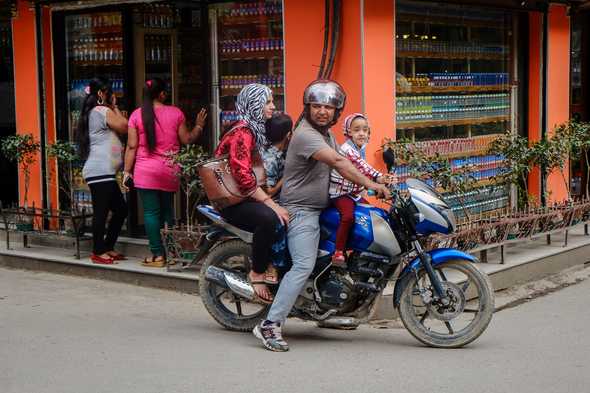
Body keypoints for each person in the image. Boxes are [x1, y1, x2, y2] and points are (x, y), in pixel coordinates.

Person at [253, 80, 391, 352]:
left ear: (337, 112)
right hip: (300, 209)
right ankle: (270, 324)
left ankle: (328, 305)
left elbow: (349, 160)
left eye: (328, 107)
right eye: (316, 106)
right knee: (303, 265)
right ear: (308, 107)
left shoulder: (327, 135)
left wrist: (381, 178)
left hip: (322, 206)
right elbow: (339, 162)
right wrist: (372, 186)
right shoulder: (307, 134)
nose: (322, 111)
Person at [214, 83, 289, 304]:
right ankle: (257, 272)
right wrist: (272, 204)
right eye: (267, 102)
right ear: (254, 104)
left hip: (246, 195)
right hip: (232, 199)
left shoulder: (255, 130)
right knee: (270, 218)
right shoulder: (242, 132)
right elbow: (243, 177)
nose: (272, 107)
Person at [123, 78, 206, 268]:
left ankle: (158, 255)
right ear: (161, 94)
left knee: (151, 213)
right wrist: (199, 126)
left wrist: (126, 171)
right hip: (169, 169)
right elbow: (187, 139)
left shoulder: (136, 115)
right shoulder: (176, 113)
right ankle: (172, 252)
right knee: (168, 211)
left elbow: (131, 146)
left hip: (145, 171)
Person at [76, 77, 129, 265]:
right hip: (100, 171)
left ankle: (107, 246)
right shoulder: (101, 110)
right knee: (101, 211)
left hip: (103, 172)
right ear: (101, 94)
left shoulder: (94, 112)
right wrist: (114, 107)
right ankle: (98, 251)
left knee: (121, 210)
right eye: (109, 93)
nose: (112, 96)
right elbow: (125, 126)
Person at [329, 113, 392, 266]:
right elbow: (363, 167)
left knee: (372, 215)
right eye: (357, 130)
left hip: (354, 194)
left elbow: (362, 172)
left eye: (365, 130)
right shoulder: (348, 149)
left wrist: (381, 182)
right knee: (348, 217)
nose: (362, 133)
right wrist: (379, 178)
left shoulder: (360, 148)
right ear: (348, 132)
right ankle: (338, 251)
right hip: (341, 193)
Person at [261, 113, 293, 201]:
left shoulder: (279, 153)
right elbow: (268, 192)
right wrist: (287, 176)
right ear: (288, 135)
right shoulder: (270, 159)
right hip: (275, 206)